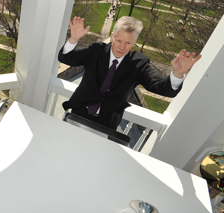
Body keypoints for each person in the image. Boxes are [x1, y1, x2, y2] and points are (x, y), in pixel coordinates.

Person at [58, 16, 201, 130]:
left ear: (135, 41)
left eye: (127, 43)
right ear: (112, 36)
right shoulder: (96, 50)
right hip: (79, 111)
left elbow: (161, 88)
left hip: (108, 122)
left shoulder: (139, 62)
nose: (121, 47)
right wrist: (74, 39)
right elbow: (66, 58)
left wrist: (177, 74)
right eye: (119, 40)